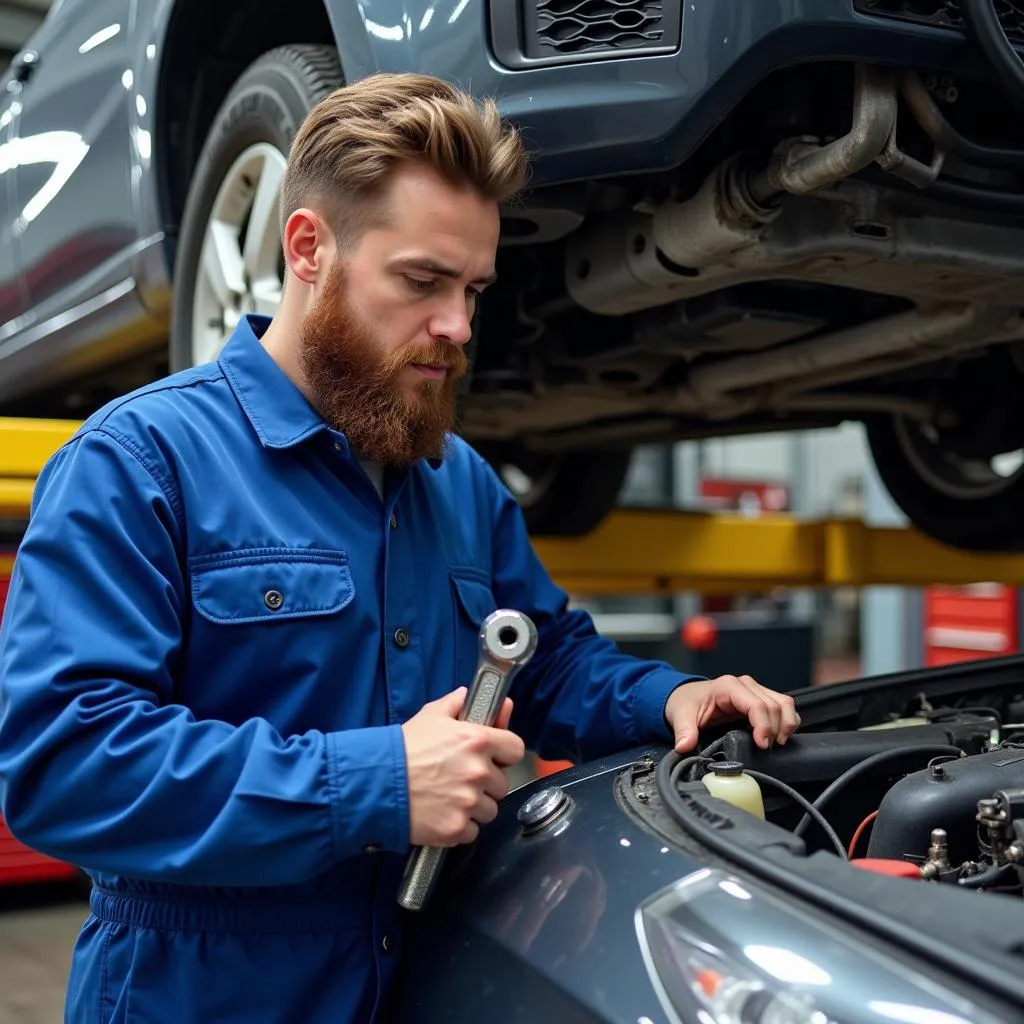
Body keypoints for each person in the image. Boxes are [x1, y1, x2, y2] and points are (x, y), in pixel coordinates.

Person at [0, 72, 800, 1024]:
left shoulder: (455, 480)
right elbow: (63, 764)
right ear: (308, 248)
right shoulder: (141, 462)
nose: (458, 327)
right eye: (422, 281)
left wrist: (669, 696)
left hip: (421, 982)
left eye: (473, 289)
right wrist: (374, 783)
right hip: (201, 989)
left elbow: (547, 660)